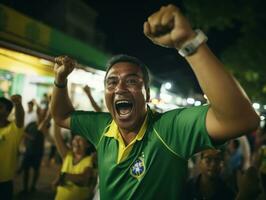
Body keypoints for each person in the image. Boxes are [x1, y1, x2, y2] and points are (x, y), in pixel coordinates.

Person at [50, 4, 259, 199]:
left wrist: (188, 42)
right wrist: (60, 80)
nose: (120, 88)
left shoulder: (170, 129)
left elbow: (241, 119)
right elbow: (62, 116)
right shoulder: (102, 128)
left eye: (132, 81)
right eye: (112, 82)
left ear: (147, 94)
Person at [52, 119, 97, 200]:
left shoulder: (90, 160)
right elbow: (57, 136)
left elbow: (83, 178)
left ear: (87, 144)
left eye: (80, 139)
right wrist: (56, 118)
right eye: (75, 138)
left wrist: (63, 176)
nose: (76, 141)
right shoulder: (67, 155)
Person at [0, 95, 24, 200]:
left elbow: (20, 118)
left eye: (0, 107)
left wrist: (18, 104)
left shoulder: (12, 129)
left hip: (4, 182)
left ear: (7, 112)